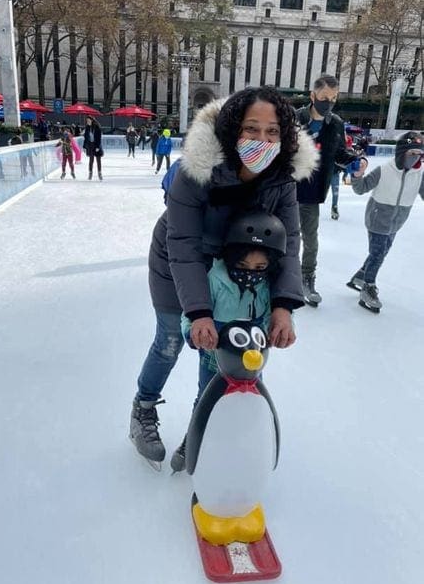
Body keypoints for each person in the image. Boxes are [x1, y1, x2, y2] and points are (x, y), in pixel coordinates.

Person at [129, 85, 318, 467]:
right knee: (171, 339)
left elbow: (290, 242)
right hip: (177, 264)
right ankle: (143, 409)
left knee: (216, 357)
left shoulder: (281, 177)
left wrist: (284, 306)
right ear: (233, 129)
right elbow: (182, 243)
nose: (261, 139)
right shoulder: (197, 171)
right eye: (251, 128)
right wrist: (198, 311)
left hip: (236, 273)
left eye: (272, 131)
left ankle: (201, 424)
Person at [170, 211, 287, 472]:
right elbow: (191, 314)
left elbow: (269, 315)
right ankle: (194, 440)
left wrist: (275, 330)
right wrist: (194, 331)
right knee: (206, 398)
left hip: (251, 361)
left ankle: (247, 442)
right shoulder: (215, 279)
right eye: (243, 267)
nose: (251, 274)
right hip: (214, 360)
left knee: (251, 399)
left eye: (259, 269)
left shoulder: (265, 285)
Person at [295, 74, 361, 306]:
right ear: (312, 96)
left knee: (310, 240)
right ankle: (278, 276)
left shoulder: (336, 123)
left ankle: (306, 277)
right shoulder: (294, 118)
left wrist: (355, 160)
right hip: (286, 188)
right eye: (324, 98)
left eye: (333, 98)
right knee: (282, 236)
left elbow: (340, 153)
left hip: (312, 192)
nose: (329, 103)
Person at [347, 131, 424, 312]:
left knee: (381, 252)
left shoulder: (419, 174)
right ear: (401, 152)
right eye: (412, 153)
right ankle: (368, 287)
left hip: (397, 222)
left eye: (419, 154)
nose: (416, 158)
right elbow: (361, 189)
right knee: (378, 254)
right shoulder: (384, 170)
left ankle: (359, 277)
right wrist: (357, 175)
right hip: (377, 219)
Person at [83, 115, 103, 180]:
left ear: (92, 120)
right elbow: (86, 138)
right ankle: (90, 173)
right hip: (90, 145)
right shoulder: (87, 128)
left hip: (96, 145)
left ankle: (99, 173)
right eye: (87, 121)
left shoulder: (97, 127)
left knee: (98, 160)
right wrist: (84, 146)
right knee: (91, 160)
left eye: (88, 120)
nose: (87, 122)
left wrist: (98, 146)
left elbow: (99, 138)